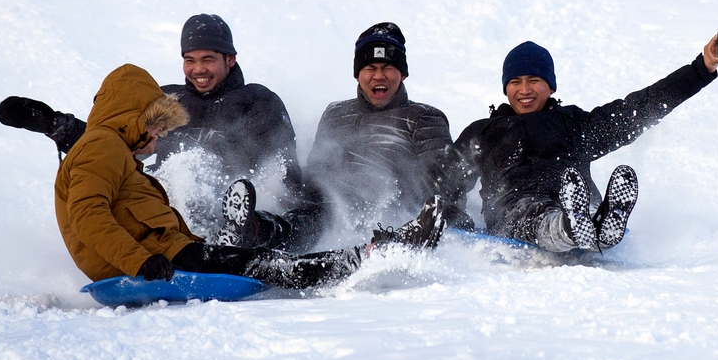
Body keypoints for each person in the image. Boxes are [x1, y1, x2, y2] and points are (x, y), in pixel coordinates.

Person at [56, 64, 444, 291]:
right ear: (135, 118)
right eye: (157, 125)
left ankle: (368, 252)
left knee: (259, 261)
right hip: (152, 259)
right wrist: (140, 262)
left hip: (167, 252)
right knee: (270, 267)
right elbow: (89, 217)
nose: (161, 136)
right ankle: (372, 254)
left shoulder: (109, 149)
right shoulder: (103, 148)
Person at [453, 33, 718, 252]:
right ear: (505, 88)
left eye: (534, 80)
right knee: (533, 214)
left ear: (550, 87)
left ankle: (600, 221)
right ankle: (570, 227)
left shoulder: (572, 124)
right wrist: (454, 219)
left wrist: (701, 69)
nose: (524, 90)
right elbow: (446, 179)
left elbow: (635, 110)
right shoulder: (484, 133)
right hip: (515, 207)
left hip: (575, 197)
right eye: (515, 82)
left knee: (582, 205)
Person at [0, 14, 303, 205]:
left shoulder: (256, 100)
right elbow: (113, 144)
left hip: (232, 203)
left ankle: (234, 237)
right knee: (164, 176)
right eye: (190, 60)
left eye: (208, 59)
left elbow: (283, 168)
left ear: (230, 59)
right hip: (163, 203)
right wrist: (58, 126)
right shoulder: (169, 101)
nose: (198, 70)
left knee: (196, 171)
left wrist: (282, 210)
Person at [220, 22, 473, 252]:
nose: (378, 76)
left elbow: (440, 180)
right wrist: (295, 190)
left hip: (393, 215)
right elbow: (319, 172)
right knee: (310, 216)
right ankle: (253, 231)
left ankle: (392, 247)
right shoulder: (336, 113)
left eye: (388, 67)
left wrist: (428, 213)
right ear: (357, 74)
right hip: (332, 212)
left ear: (402, 74)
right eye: (370, 68)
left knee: (343, 213)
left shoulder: (424, 118)